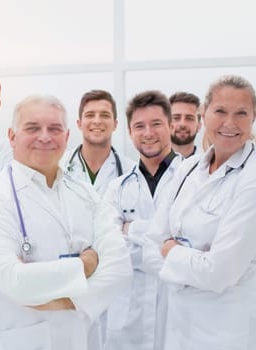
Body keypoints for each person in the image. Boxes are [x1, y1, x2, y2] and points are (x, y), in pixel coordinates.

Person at [0, 94, 132, 350]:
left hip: (82, 338)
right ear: (12, 136)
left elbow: (120, 268)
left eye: (54, 129)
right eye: (32, 128)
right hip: (24, 340)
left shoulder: (83, 192)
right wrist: (86, 265)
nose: (45, 136)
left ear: (67, 137)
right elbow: (14, 281)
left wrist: (67, 302)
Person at [145, 75, 256, 350]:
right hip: (177, 326)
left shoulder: (251, 177)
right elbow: (150, 244)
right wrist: (194, 263)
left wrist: (171, 250)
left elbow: (220, 273)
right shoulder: (188, 168)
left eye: (241, 113)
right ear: (203, 114)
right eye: (220, 111)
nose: (229, 123)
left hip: (226, 332)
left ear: (253, 117)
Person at [102, 91, 182, 350]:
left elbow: (195, 243)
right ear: (129, 132)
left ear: (170, 125)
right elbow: (109, 248)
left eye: (156, 123)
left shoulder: (193, 180)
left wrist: (131, 229)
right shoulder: (117, 188)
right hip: (129, 315)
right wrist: (166, 243)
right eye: (139, 126)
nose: (148, 132)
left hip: (178, 309)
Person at [65, 89, 135, 195]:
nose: (97, 121)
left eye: (105, 115)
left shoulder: (132, 172)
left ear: (115, 124)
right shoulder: (59, 167)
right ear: (79, 124)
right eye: (90, 115)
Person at [169, 92, 202, 158]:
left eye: (189, 118)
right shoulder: (148, 164)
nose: (182, 124)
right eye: (176, 118)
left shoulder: (211, 165)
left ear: (199, 126)